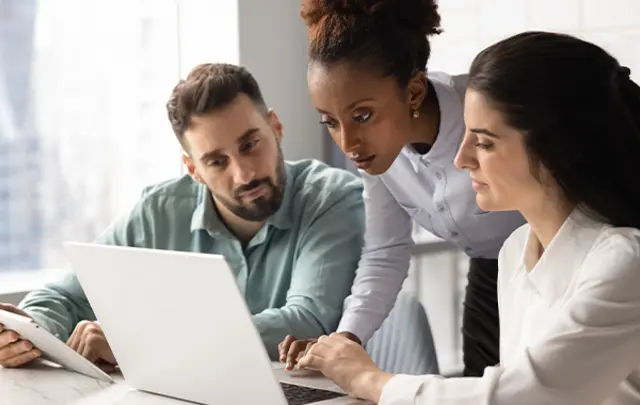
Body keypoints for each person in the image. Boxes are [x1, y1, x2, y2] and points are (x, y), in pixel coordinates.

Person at [293, 31, 640, 404]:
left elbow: (524, 395)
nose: (461, 159)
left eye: (485, 142)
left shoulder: (625, 261)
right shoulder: (515, 251)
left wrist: (371, 380)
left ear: (556, 148)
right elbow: (384, 250)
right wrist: (346, 344)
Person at [0, 63, 365, 370]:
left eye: (250, 144)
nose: (244, 173)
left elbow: (307, 321)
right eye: (217, 161)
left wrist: (140, 345)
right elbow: (66, 297)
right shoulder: (158, 211)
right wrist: (27, 333)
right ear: (193, 169)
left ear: (276, 127)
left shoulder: (332, 198)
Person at [280, 0, 524, 376]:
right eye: (330, 122)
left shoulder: (484, 113)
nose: (348, 143)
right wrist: (344, 340)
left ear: (412, 92)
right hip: (489, 276)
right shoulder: (378, 154)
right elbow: (385, 251)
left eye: (362, 115)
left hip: (553, 269)